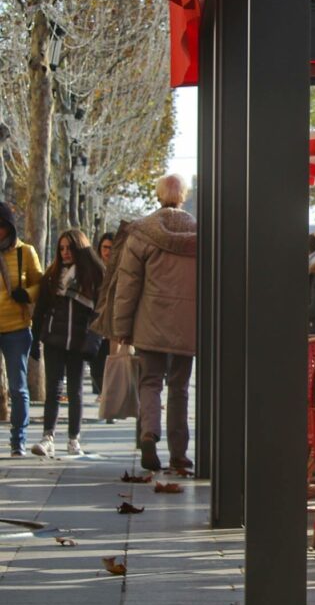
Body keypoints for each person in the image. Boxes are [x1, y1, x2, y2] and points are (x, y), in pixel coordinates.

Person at [112, 174, 196, 472]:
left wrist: (122, 328)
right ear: (183, 196)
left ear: (158, 195)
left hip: (150, 323)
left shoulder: (143, 232)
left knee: (150, 383)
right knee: (179, 388)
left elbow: (127, 285)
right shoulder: (200, 233)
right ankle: (179, 453)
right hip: (188, 327)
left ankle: (149, 433)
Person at [31, 229, 104, 457]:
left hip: (79, 342)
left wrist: (93, 341)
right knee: (53, 389)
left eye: (69, 248)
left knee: (76, 391)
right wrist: (35, 340)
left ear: (79, 249)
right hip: (54, 340)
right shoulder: (52, 275)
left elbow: (100, 312)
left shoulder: (94, 276)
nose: (64, 252)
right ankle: (47, 437)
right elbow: (41, 310)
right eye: (61, 248)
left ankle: (74, 439)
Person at [0, 202, 42, 456]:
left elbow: (41, 284)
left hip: (17, 328)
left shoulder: (25, 252)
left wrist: (26, 294)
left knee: (18, 387)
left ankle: (19, 440)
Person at [89, 233, 115, 396]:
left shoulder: (124, 268)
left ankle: (110, 400)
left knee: (114, 366)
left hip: (115, 327)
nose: (108, 251)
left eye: (112, 248)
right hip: (96, 325)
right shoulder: (93, 270)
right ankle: (104, 395)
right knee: (96, 369)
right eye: (105, 247)